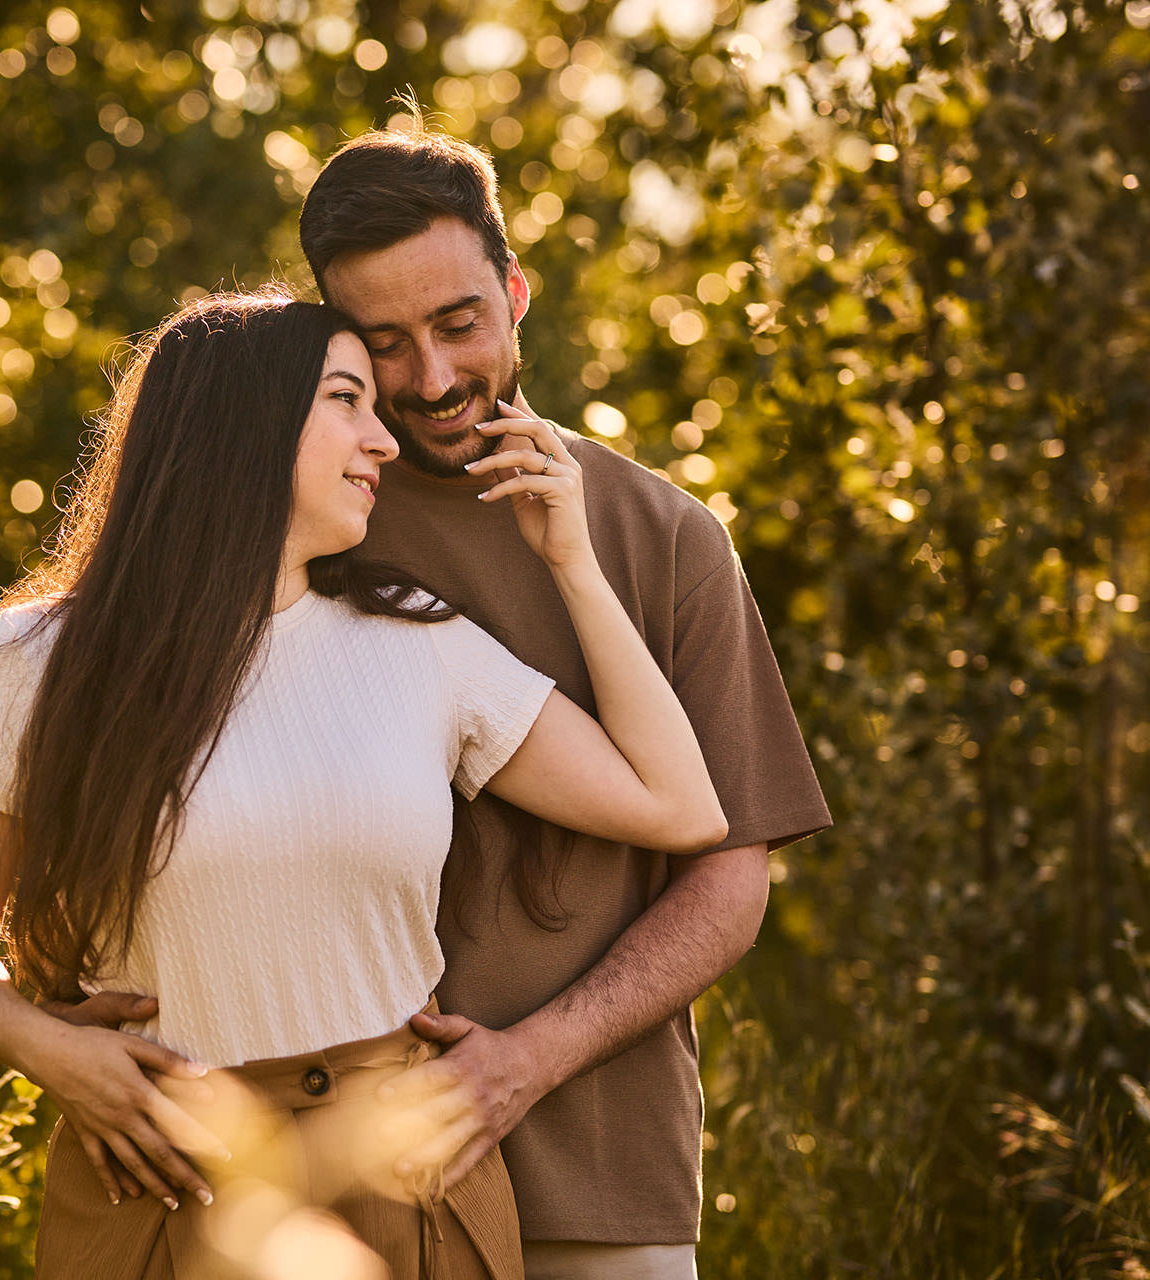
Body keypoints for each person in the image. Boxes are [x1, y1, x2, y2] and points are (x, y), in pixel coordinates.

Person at [0, 287, 729, 1279]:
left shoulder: (419, 641)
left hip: (402, 1183)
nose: (383, 440)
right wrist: (53, 1051)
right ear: (243, 425)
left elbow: (677, 806)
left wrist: (573, 560)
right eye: (347, 399)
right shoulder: (37, 657)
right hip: (161, 1178)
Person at [288, 121, 836, 1278]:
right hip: (333, 1189)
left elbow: (730, 878)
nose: (433, 378)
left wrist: (527, 1059)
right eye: (385, 344)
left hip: (599, 1180)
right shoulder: (302, 527)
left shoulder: (667, 535)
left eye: (459, 324)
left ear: (516, 292)